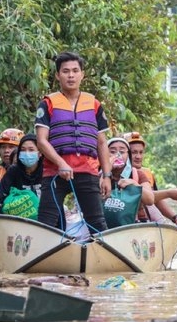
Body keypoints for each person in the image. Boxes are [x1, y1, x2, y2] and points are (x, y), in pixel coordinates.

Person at [35, 52, 112, 232]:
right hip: (55, 172)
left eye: (75, 71)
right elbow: (41, 141)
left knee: (97, 222)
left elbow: (101, 143)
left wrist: (107, 176)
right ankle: (42, 257)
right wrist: (61, 163)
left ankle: (102, 257)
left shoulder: (94, 104)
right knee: (46, 222)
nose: (71, 75)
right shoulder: (47, 104)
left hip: (88, 170)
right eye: (66, 71)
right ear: (57, 75)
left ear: (82, 74)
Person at [125, 131, 177, 226]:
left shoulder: (147, 173)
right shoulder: (117, 173)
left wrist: (175, 217)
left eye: (141, 152)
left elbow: (156, 200)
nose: (138, 156)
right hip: (127, 222)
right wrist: (169, 193)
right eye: (134, 152)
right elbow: (148, 197)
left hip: (146, 222)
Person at [0, 134, 43, 215]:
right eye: (23, 150)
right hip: (17, 220)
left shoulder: (47, 171)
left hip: (45, 219)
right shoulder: (13, 171)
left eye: (31, 150)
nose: (27, 153)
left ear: (40, 152)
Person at [104, 137, 154, 226]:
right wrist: (107, 171)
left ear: (128, 156)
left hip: (131, 226)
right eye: (112, 152)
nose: (117, 155)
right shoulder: (97, 175)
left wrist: (134, 184)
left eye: (122, 152)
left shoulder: (137, 174)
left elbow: (150, 200)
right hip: (103, 227)